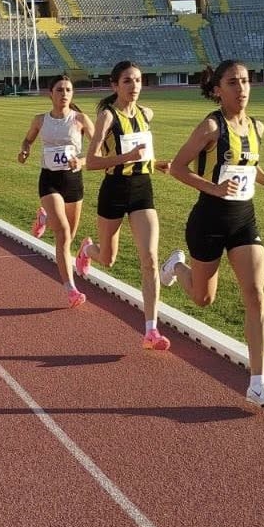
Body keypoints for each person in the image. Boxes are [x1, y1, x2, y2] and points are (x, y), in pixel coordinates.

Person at [162, 59, 264, 409]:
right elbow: (177, 167)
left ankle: (257, 382)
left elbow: (250, 165)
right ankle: (177, 266)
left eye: (246, 81)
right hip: (208, 221)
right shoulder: (210, 127)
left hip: (244, 221)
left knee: (255, 294)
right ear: (218, 89)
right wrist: (214, 188)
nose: (242, 89)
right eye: (233, 82)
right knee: (204, 299)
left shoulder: (257, 127)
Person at [75, 60, 172, 350]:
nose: (134, 87)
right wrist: (126, 158)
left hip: (143, 190)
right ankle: (87, 249)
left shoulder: (146, 114)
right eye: (128, 81)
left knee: (150, 259)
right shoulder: (107, 116)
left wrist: (156, 163)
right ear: (115, 85)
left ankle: (151, 330)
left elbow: (141, 155)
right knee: (108, 258)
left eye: (139, 81)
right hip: (114, 190)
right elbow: (91, 162)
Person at [17, 75, 95, 308]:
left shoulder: (80, 119)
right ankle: (71, 289)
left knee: (69, 235)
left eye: (68, 90)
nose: (64, 94)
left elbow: (99, 150)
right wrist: (24, 151)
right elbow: (27, 140)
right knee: (61, 233)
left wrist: (80, 162)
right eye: (59, 90)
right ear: (50, 93)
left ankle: (49, 221)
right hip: (49, 180)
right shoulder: (41, 120)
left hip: (73, 181)